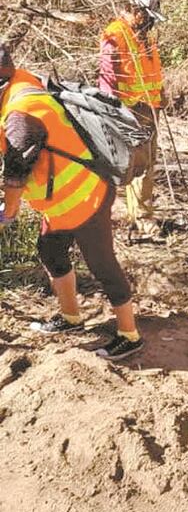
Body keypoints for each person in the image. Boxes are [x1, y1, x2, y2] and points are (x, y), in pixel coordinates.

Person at [0, 48, 144, 360]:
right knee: (50, 250)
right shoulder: (21, 84)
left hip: (85, 197)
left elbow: (15, 175)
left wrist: (9, 212)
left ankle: (129, 335)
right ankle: (70, 318)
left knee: (102, 264)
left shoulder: (21, 113)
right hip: (60, 204)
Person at [99, 0, 165, 237]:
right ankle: (127, 215)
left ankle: (141, 214)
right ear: (136, 12)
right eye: (147, 17)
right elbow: (107, 78)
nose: (150, 22)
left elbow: (152, 70)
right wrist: (115, 110)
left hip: (150, 107)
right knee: (129, 165)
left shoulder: (145, 36)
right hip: (128, 110)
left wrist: (162, 92)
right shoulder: (114, 35)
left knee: (147, 163)